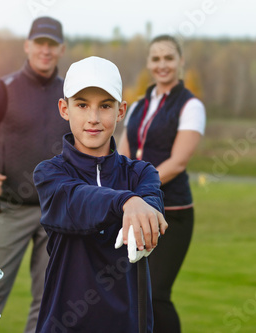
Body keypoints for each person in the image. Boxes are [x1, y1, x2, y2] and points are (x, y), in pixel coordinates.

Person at [33, 56, 168, 333]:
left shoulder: (142, 174)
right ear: (64, 108)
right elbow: (76, 200)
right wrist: (126, 202)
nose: (93, 118)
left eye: (105, 106)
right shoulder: (49, 173)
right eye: (82, 105)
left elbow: (152, 206)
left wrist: (145, 210)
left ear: (121, 111)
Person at [0, 16, 69, 333]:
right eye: (40, 43)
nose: (45, 50)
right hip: (10, 210)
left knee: (49, 299)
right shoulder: (3, 89)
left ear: (61, 49)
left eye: (52, 44)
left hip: (56, 213)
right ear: (27, 46)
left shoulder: (71, 93)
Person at [118, 35, 206, 333]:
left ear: (181, 62)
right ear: (148, 64)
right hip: (135, 214)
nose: (162, 64)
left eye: (169, 58)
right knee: (133, 296)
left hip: (173, 212)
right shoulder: (138, 106)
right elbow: (121, 155)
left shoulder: (191, 106)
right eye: (156, 59)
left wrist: (138, 192)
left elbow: (178, 162)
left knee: (156, 295)